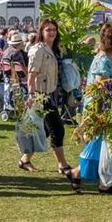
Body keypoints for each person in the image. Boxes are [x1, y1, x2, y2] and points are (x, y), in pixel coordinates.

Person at [66, 23, 112, 194]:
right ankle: (105, 184)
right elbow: (101, 86)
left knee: (104, 148)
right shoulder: (103, 60)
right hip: (101, 111)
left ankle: (78, 173)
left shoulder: (111, 58)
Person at [23, 19, 71, 173]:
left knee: (43, 131)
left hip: (51, 93)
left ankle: (25, 160)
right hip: (40, 95)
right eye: (47, 30)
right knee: (57, 129)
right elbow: (31, 75)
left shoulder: (55, 49)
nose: (51, 32)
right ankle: (62, 165)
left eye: (54, 29)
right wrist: (30, 95)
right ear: (41, 32)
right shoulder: (38, 50)